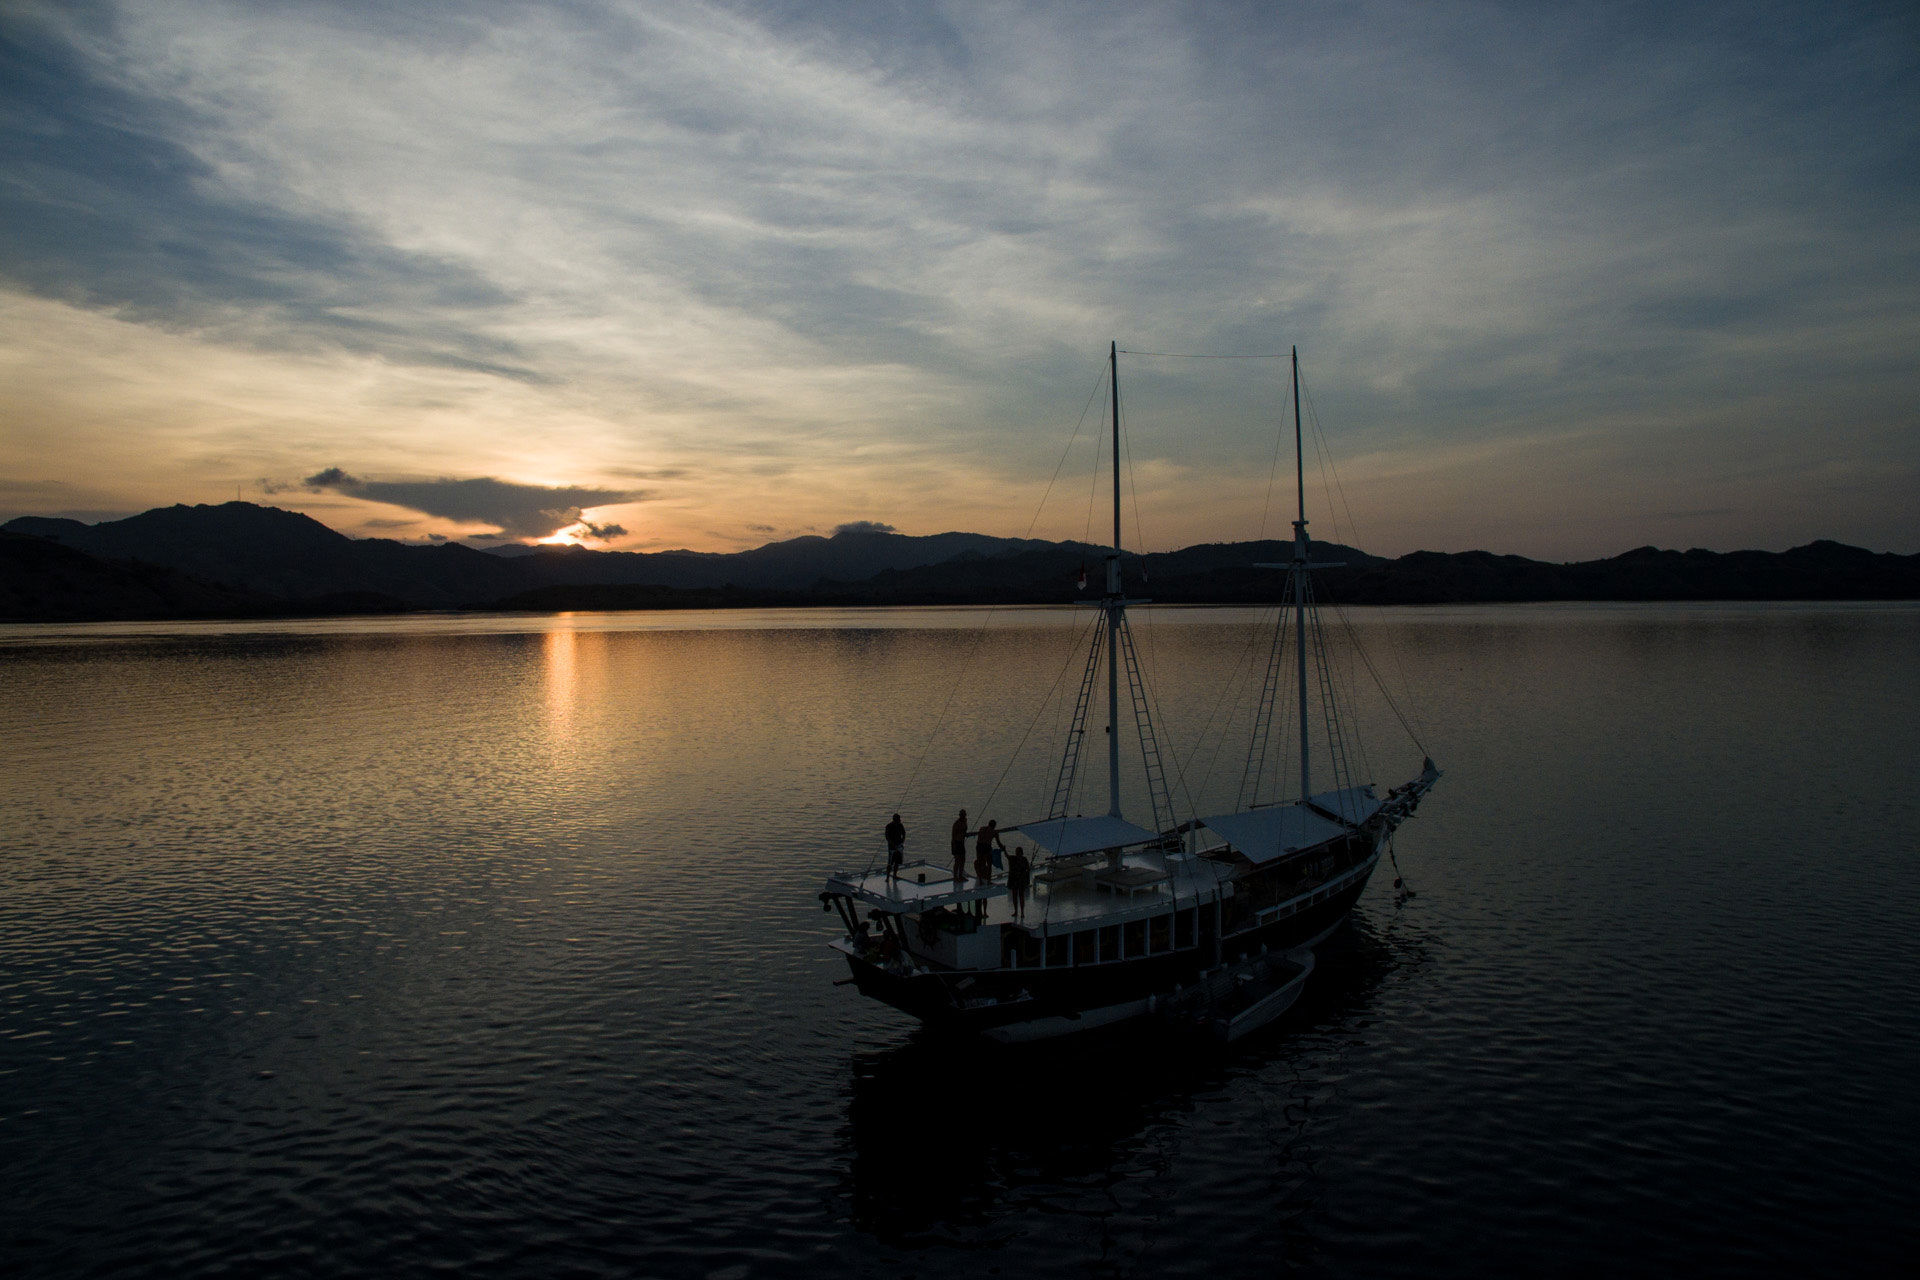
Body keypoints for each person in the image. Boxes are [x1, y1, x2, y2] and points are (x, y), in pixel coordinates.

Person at [973, 819, 1005, 885]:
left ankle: (980, 879)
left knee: (980, 863)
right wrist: (1003, 848)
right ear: (994, 826)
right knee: (989, 863)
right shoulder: (994, 832)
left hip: (979, 846)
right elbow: (998, 843)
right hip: (986, 847)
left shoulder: (981, 828)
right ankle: (988, 881)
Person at [1007, 846, 1031, 920]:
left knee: (1021, 897)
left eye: (1018, 852)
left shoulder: (1024, 859)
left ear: (1021, 853)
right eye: (1016, 852)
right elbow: (1007, 856)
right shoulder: (1014, 858)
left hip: (1021, 881)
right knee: (1015, 896)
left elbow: (1027, 869)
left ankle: (1022, 912)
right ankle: (1016, 911)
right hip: (1015, 880)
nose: (1017, 853)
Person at [950, 809, 969, 886]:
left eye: (964, 814)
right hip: (956, 843)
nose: (963, 816)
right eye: (962, 814)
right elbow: (953, 836)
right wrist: (954, 846)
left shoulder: (965, 822)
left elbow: (964, 832)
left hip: (961, 843)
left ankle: (960, 875)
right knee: (957, 861)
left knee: (963, 859)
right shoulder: (956, 824)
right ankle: (955, 877)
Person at [884, 813, 906, 877]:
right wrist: (892, 843)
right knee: (890, 863)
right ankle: (887, 877)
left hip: (899, 846)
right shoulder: (889, 826)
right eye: (898, 819)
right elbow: (887, 836)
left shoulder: (900, 825)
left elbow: (904, 833)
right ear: (894, 819)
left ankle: (895, 875)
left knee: (897, 862)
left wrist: (902, 840)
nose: (899, 821)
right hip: (892, 847)